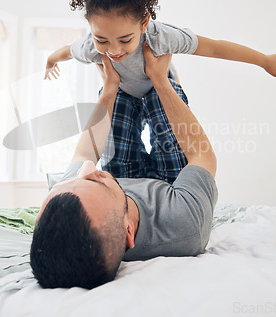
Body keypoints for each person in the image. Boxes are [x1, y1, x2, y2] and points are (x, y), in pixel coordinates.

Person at [44, 0, 276, 180]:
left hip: (160, 90)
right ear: (90, 25)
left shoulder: (161, 38)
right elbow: (67, 51)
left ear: (144, 22)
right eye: (102, 40)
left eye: (125, 40)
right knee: (116, 162)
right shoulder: (91, 46)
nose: (113, 50)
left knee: (173, 159)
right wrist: (50, 60)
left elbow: (214, 48)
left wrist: (264, 60)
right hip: (121, 94)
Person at [30, 46, 218, 289]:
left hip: (124, 175)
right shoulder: (185, 225)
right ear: (128, 230)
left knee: (118, 101)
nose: (87, 168)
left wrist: (109, 88)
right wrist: (161, 82)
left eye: (75, 179)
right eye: (95, 179)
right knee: (160, 99)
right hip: (173, 186)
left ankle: (123, 91)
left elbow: (85, 153)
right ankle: (165, 85)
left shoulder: (69, 200)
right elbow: (201, 155)